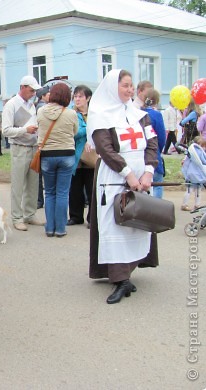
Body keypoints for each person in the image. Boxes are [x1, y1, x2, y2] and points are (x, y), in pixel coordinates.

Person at [87, 69, 159, 304]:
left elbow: (152, 142)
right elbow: (105, 149)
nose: (129, 90)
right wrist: (128, 174)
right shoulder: (100, 115)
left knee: (136, 224)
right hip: (114, 178)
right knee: (115, 225)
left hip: (141, 179)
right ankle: (120, 280)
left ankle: (127, 272)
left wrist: (148, 171)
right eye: (124, 85)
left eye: (131, 85)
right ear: (112, 87)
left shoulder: (140, 114)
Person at [2, 75, 44, 231]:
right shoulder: (11, 105)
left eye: (34, 91)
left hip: (33, 147)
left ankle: (30, 214)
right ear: (23, 87)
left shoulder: (31, 105)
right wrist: (25, 130)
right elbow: (5, 130)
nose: (33, 93)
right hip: (19, 147)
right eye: (31, 90)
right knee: (18, 185)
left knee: (33, 184)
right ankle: (17, 217)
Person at [37, 83, 78, 237]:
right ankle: (60, 229)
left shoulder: (41, 112)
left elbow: (39, 128)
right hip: (66, 154)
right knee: (62, 193)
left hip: (47, 155)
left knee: (49, 192)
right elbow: (74, 131)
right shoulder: (71, 113)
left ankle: (49, 228)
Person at [68, 85, 94, 227]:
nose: (77, 99)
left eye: (80, 96)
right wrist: (88, 130)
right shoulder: (72, 114)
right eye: (75, 96)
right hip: (76, 156)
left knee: (92, 189)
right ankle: (75, 216)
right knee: (75, 189)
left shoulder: (95, 114)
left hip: (92, 157)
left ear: (88, 98)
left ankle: (92, 218)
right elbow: (74, 132)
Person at [141, 89, 166, 198]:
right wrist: (158, 149)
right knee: (157, 184)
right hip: (154, 153)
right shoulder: (156, 115)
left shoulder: (138, 113)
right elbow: (161, 137)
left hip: (140, 154)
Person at [181, 136, 206, 211]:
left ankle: (184, 204)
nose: (205, 148)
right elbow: (205, 161)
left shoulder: (190, 151)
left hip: (190, 174)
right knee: (198, 190)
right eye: (204, 146)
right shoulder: (199, 152)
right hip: (198, 174)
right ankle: (197, 205)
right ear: (200, 145)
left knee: (189, 190)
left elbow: (185, 160)